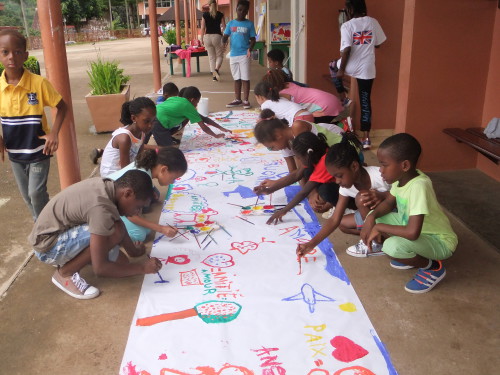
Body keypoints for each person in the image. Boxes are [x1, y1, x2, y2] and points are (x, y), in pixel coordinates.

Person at [28, 170, 163, 300]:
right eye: (138, 207)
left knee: (122, 262)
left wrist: (133, 251)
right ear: (127, 193)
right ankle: (65, 273)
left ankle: (76, 257)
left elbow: (118, 222)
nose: (137, 213)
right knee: (112, 232)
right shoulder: (101, 208)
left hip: (60, 232)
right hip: (48, 246)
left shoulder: (109, 187)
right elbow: (101, 269)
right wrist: (142, 268)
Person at [359, 133, 458, 293]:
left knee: (392, 247)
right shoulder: (403, 179)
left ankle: (433, 268)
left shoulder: (419, 186)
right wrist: (371, 218)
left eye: (384, 165)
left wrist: (379, 228)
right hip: (418, 231)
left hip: (439, 241)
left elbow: (412, 233)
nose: (380, 170)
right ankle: (412, 255)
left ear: (404, 165)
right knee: (376, 219)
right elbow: (388, 203)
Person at [0, 30, 67, 221]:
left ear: (26, 55)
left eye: (18, 51)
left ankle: (47, 230)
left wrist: (54, 133)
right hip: (15, 153)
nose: (12, 56)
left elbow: (62, 107)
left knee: (36, 194)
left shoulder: (38, 83)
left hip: (39, 150)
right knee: (28, 197)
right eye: (5, 52)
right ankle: (43, 228)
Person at [296, 141, 390, 258]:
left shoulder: (380, 176)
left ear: (354, 166)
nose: (337, 181)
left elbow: (403, 194)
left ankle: (376, 242)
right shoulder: (346, 188)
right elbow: (334, 219)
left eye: (339, 176)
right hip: (374, 218)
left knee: (362, 198)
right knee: (342, 224)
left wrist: (384, 195)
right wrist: (311, 244)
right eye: (334, 177)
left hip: (393, 216)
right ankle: (378, 236)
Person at [334, 0, 386, 149]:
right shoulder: (372, 22)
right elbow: (378, 44)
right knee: (365, 102)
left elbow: (347, 49)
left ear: (350, 9)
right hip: (367, 68)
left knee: (332, 65)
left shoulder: (347, 26)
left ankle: (342, 96)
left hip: (350, 65)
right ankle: (366, 138)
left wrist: (341, 70)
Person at [107, 147, 188, 242]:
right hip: (108, 206)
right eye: (173, 178)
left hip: (115, 197)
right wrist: (161, 228)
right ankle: (105, 237)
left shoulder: (146, 167)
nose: (172, 182)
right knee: (139, 235)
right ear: (164, 169)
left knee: (147, 228)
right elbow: (129, 214)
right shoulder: (141, 176)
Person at [266, 133, 348, 224]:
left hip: (345, 189)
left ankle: (342, 206)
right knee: (307, 170)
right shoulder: (317, 154)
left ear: (307, 154)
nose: (299, 160)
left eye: (299, 158)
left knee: (325, 191)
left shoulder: (324, 162)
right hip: (336, 183)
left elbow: (303, 192)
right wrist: (271, 189)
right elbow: (296, 175)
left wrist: (283, 210)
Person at [253, 110, 346, 175]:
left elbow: (303, 167)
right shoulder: (284, 144)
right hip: (329, 152)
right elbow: (294, 172)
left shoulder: (298, 127)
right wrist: (309, 195)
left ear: (278, 135)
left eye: (271, 147)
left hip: (340, 142)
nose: (274, 150)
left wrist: (276, 184)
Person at [153, 86, 232, 146]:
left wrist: (221, 128)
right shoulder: (188, 106)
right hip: (158, 123)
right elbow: (203, 127)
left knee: (144, 139)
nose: (196, 105)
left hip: (151, 115)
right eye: (197, 102)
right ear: (192, 100)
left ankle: (165, 137)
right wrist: (216, 135)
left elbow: (204, 118)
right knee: (167, 150)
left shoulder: (178, 99)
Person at [100, 97, 156, 177]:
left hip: (125, 172)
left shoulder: (142, 133)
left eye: (153, 121)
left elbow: (138, 161)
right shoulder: (124, 138)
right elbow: (125, 171)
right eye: (146, 121)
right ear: (133, 118)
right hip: (111, 177)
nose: (150, 125)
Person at [262, 69, 344, 123]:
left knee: (305, 122)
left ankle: (338, 126)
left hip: (325, 108)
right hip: (333, 101)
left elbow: (285, 110)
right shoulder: (289, 85)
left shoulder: (284, 94)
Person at [222, 0, 256, 109]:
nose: (242, 12)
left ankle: (246, 100)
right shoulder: (231, 23)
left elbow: (253, 39)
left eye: (244, 11)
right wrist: (223, 41)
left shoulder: (249, 24)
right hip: (233, 54)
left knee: (245, 78)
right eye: (240, 9)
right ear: (236, 9)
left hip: (244, 54)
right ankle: (237, 99)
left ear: (247, 12)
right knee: (236, 78)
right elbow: (225, 36)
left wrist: (250, 49)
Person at [201, 0, 226, 82]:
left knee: (211, 57)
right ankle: (216, 70)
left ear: (209, 5)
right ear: (216, 5)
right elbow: (224, 27)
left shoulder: (205, 15)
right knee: (219, 55)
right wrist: (225, 38)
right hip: (217, 36)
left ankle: (214, 75)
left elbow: (202, 28)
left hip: (207, 37)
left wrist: (201, 38)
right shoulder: (220, 14)